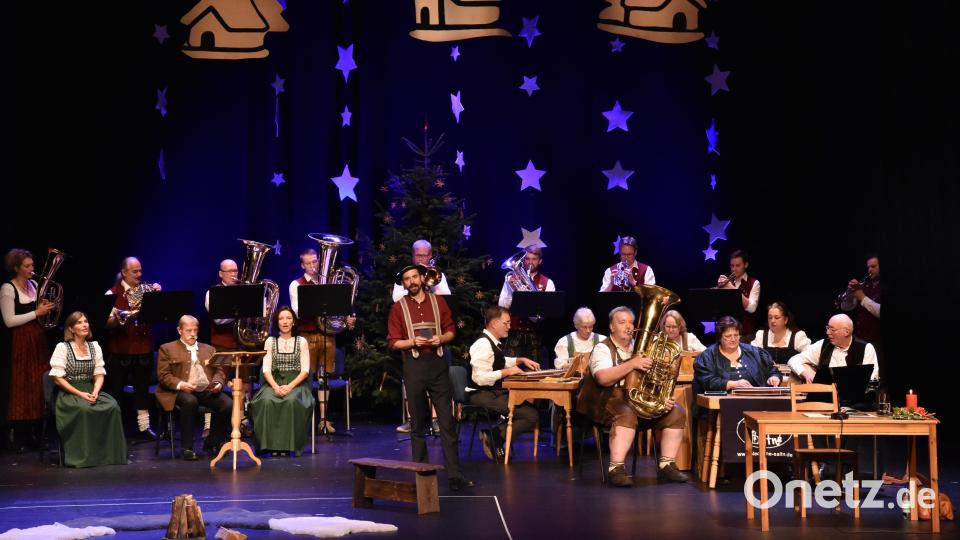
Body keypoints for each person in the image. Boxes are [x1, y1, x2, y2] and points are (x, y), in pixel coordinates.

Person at [576, 306, 689, 486]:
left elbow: (655, 380)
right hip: (606, 401)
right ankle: (616, 468)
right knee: (625, 412)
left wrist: (662, 399)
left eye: (631, 322)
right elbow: (603, 378)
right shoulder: (602, 348)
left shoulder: (643, 348)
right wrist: (633, 364)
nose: (628, 326)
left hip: (637, 402)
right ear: (612, 327)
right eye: (622, 322)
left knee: (677, 412)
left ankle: (666, 465)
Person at [387, 264, 473, 491]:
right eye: (407, 279)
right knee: (417, 424)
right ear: (403, 283)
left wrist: (440, 339)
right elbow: (394, 342)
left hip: (437, 365)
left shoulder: (439, 302)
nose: (412, 282)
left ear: (422, 278)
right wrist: (413, 342)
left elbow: (451, 330)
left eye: (414, 277)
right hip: (414, 366)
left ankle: (455, 476)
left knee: (446, 421)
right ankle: (421, 476)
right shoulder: (398, 308)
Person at [289, 248, 355, 434]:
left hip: (328, 336)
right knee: (306, 378)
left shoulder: (329, 283)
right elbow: (297, 311)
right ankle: (305, 419)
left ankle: (324, 419)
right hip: (307, 335)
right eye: (308, 263)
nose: (313, 266)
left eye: (315, 262)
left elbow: (340, 308)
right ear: (302, 265)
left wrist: (346, 318)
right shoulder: (296, 284)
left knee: (325, 377)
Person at [48, 311, 126, 467]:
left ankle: (109, 455)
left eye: (86, 321)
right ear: (71, 328)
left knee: (112, 407)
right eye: (79, 322)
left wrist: (95, 392)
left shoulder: (94, 346)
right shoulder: (63, 348)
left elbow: (99, 374)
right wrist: (79, 393)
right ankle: (84, 456)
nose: (84, 324)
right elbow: (57, 379)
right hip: (69, 392)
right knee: (84, 409)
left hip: (91, 389)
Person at [467, 305, 540, 461]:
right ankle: (496, 436)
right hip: (481, 394)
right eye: (506, 323)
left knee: (530, 409)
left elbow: (499, 360)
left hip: (492, 392)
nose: (510, 326)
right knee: (531, 415)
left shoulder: (491, 342)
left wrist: (519, 360)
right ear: (494, 324)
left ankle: (493, 434)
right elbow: (479, 378)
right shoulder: (483, 344)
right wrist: (507, 372)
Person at [156, 315, 232, 461]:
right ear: (179, 330)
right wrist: (181, 384)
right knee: (190, 402)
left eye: (195, 330)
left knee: (227, 404)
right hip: (178, 391)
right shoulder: (167, 349)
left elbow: (219, 371)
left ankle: (212, 443)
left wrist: (217, 383)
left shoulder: (209, 349)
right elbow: (164, 375)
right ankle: (187, 447)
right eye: (188, 330)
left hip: (205, 389)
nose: (192, 334)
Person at [391, 240, 448, 434]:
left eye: (425, 255)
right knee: (413, 384)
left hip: (434, 334)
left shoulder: (438, 275)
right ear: (413, 256)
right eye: (419, 255)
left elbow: (446, 297)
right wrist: (416, 282)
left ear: (431, 255)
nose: (422, 258)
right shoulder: (405, 277)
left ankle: (435, 419)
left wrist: (429, 284)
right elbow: (396, 299)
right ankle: (412, 418)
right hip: (411, 338)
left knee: (437, 381)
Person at [1, 249, 54, 450]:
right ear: (16, 268)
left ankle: (35, 433)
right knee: (21, 385)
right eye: (27, 266)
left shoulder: (33, 285)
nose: (33, 269)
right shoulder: (8, 288)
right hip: (19, 342)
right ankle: (18, 436)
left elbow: (37, 313)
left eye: (32, 265)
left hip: (37, 340)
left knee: (37, 383)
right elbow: (9, 321)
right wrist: (36, 312)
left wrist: (45, 309)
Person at [104, 257, 160, 440]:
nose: (139, 275)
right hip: (119, 350)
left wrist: (157, 297)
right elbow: (106, 323)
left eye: (140, 270)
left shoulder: (146, 290)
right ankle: (114, 428)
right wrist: (124, 317)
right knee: (116, 391)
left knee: (142, 390)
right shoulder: (111, 293)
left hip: (143, 348)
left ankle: (144, 427)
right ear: (124, 272)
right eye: (135, 271)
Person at [248, 306, 314, 455]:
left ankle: (288, 446)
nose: (285, 322)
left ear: (294, 322)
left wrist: (289, 387)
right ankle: (269, 446)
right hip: (273, 383)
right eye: (281, 318)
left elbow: (305, 371)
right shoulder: (270, 341)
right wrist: (276, 387)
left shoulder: (301, 341)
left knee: (291, 401)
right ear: (277, 322)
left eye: (288, 318)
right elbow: (266, 369)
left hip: (296, 384)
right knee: (265, 401)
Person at [498, 246, 555, 363]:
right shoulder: (511, 279)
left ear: (540, 261)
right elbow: (502, 304)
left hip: (535, 334)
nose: (530, 262)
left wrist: (525, 300)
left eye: (534, 259)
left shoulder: (548, 283)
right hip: (514, 332)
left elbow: (544, 312)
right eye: (527, 259)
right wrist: (514, 292)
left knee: (534, 373)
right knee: (510, 369)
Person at [694, 316, 781, 392]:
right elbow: (706, 381)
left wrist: (774, 377)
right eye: (728, 336)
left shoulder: (754, 352)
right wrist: (733, 384)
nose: (733, 339)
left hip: (756, 402)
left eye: (736, 335)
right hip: (721, 405)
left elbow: (773, 370)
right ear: (719, 337)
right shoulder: (707, 356)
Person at [787, 313, 879, 383]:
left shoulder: (866, 348)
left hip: (855, 401)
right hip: (825, 400)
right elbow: (794, 360)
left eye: (832, 329)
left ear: (846, 332)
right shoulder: (823, 345)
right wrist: (806, 374)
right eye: (827, 328)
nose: (827, 332)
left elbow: (872, 378)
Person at [750, 302, 811, 367]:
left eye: (777, 317)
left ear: (785, 320)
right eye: (770, 318)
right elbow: (752, 357)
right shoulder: (761, 335)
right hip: (767, 376)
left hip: (792, 376)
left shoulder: (797, 336)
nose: (772, 321)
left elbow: (809, 356)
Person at [716, 250, 760, 340]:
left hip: (746, 334)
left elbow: (752, 308)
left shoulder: (754, 283)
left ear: (746, 265)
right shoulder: (727, 282)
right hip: (726, 334)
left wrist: (731, 288)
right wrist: (719, 289)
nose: (734, 269)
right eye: (732, 266)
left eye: (737, 265)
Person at [840, 254, 881, 348]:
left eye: (873, 266)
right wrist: (850, 294)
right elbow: (846, 308)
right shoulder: (864, 285)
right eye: (868, 267)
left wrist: (862, 298)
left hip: (878, 341)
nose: (869, 270)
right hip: (860, 338)